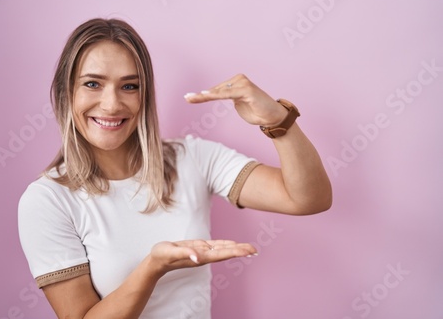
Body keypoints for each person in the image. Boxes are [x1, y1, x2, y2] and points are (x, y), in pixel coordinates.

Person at [18, 18, 332, 319]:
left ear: (145, 96)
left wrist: (278, 120)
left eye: (129, 86)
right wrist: (153, 267)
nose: (112, 104)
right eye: (92, 84)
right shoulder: (47, 201)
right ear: (65, 93)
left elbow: (308, 199)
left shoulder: (192, 158)